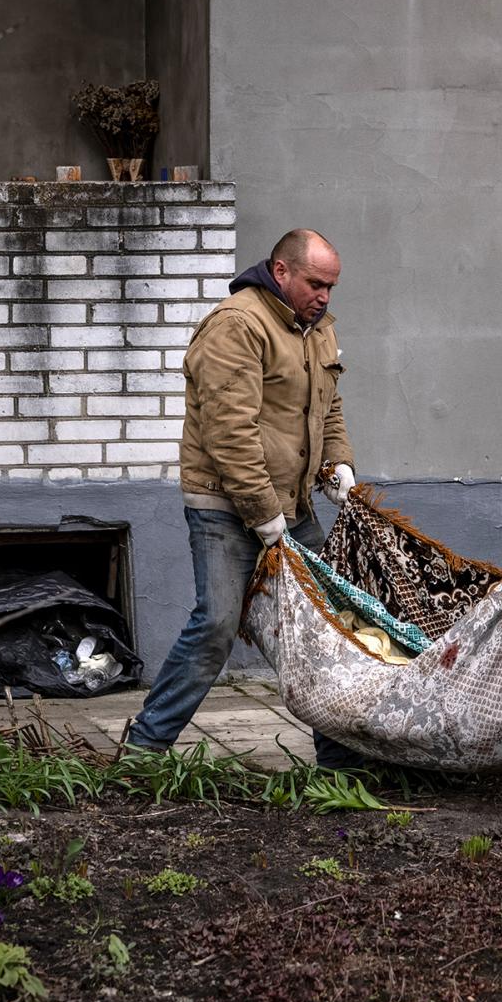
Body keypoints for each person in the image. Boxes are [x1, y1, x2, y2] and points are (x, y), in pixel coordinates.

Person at [128, 229, 362, 767]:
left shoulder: (317, 328)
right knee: (216, 625)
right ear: (281, 271)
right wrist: (264, 517)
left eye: (331, 286)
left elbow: (329, 406)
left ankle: (342, 761)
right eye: (315, 283)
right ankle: (144, 749)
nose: (325, 296)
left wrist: (339, 464)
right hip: (225, 505)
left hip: (292, 506)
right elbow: (229, 432)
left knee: (327, 625)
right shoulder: (238, 325)